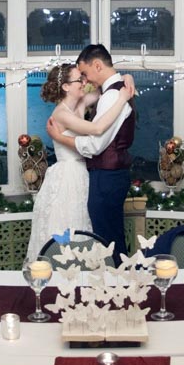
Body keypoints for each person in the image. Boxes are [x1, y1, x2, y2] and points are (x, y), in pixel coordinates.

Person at [26, 62, 135, 260]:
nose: (84, 82)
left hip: (83, 175)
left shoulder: (80, 104)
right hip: (66, 178)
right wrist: (122, 100)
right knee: (66, 227)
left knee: (87, 230)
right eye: (79, 79)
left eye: (83, 78)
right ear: (66, 86)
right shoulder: (60, 114)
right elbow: (96, 129)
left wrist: (127, 78)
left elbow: (105, 86)